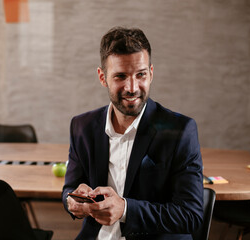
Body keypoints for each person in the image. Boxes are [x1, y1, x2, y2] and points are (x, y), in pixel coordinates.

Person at [62, 26, 203, 240]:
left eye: (141, 75)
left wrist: (125, 209)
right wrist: (72, 201)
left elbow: (190, 215)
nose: (132, 87)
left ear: (151, 74)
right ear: (102, 77)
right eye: (120, 76)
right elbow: (69, 189)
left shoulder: (181, 130)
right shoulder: (82, 126)